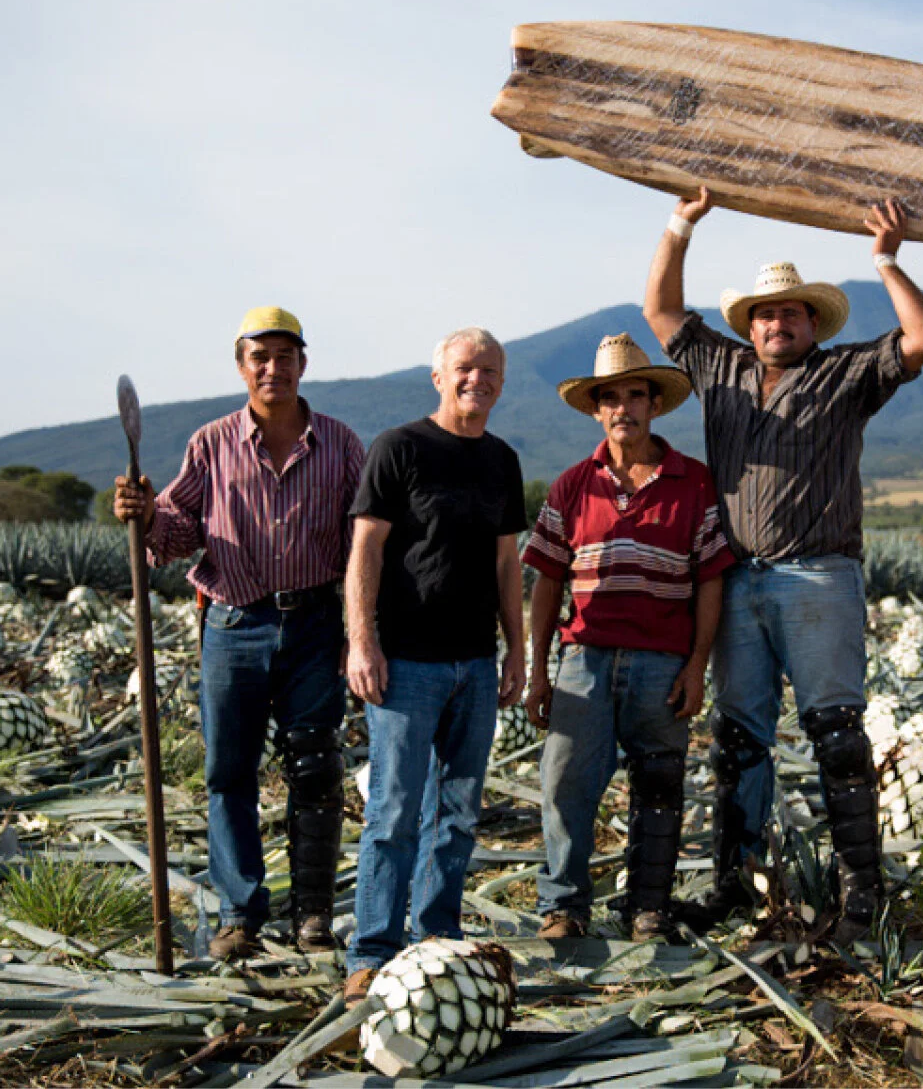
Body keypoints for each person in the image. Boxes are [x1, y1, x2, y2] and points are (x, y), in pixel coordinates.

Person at [643, 187, 923, 941]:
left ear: (813, 323)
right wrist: (681, 225)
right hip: (736, 580)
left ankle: (861, 897)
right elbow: (659, 310)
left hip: (817, 576)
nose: (777, 324)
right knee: (740, 738)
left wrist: (886, 260)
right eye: (765, 314)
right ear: (749, 325)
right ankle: (738, 888)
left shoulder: (845, 374)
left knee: (837, 732)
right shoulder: (719, 368)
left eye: (791, 313)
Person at [112, 306, 364, 961]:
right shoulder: (211, 444)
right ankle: (240, 914)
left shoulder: (340, 444)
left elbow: (366, 542)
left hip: (313, 621)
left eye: (285, 356)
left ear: (303, 365)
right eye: (260, 357)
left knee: (315, 767)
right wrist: (142, 513)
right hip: (234, 622)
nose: (272, 368)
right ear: (241, 366)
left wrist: (360, 627)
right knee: (230, 772)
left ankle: (311, 913)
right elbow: (174, 524)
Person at [522, 333, 736, 942]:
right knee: (564, 786)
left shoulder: (692, 483)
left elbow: (711, 581)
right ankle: (564, 907)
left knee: (661, 787)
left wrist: (697, 666)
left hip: (662, 662)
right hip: (584, 660)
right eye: (610, 397)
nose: (623, 407)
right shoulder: (571, 486)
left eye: (635, 394)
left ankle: (648, 907)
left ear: (654, 404)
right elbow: (546, 583)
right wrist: (540, 670)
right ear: (596, 409)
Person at [342, 327, 527, 1005]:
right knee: (392, 810)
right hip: (407, 664)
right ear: (438, 375)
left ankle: (436, 936)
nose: (476, 378)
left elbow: (508, 563)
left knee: (457, 811)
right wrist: (362, 642)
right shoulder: (400, 449)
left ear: (502, 382)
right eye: (464, 367)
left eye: (489, 370)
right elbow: (366, 551)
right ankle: (371, 953)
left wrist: (518, 651)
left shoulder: (502, 461)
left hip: (476, 663)